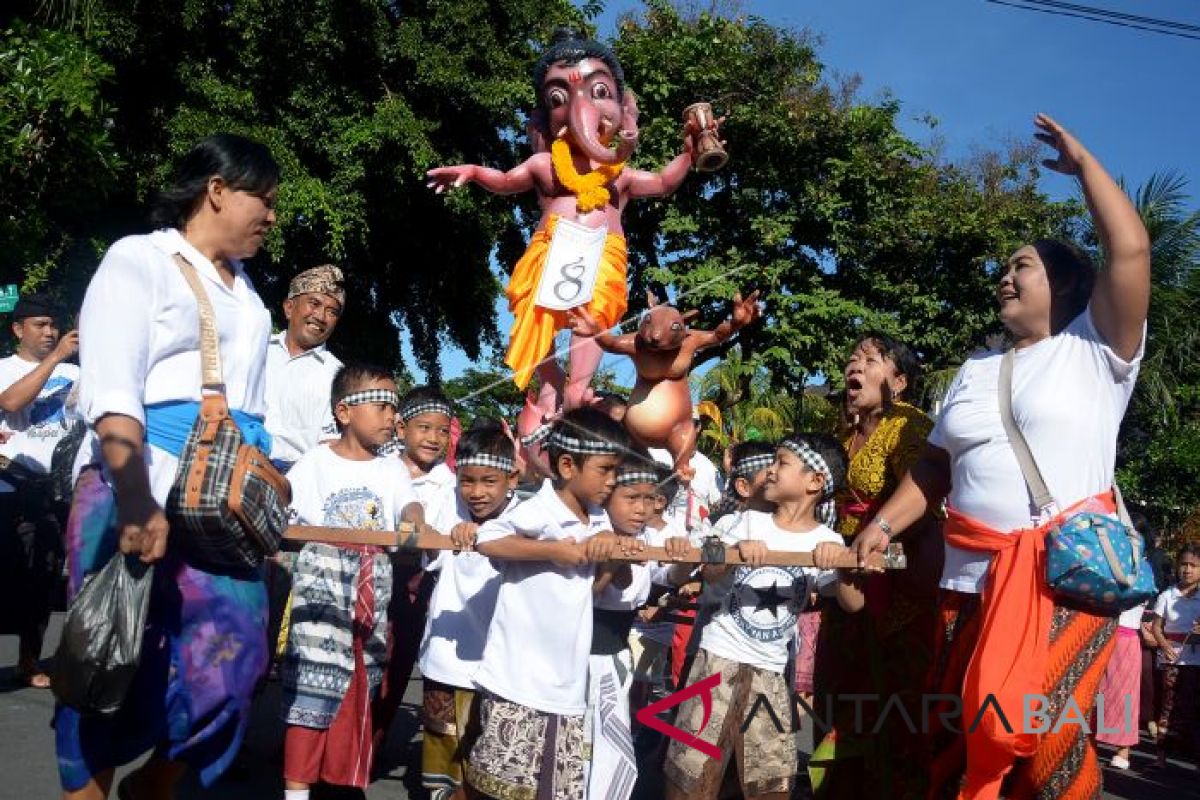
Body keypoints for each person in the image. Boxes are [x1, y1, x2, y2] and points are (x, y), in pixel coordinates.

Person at [850, 114, 1151, 800]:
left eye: (1023, 266)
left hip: (1065, 583)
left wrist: (1084, 168)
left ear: (1069, 288)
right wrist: (881, 525)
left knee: (1043, 739)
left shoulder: (1097, 349)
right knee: (960, 733)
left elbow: (1129, 251)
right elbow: (933, 469)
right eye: (1006, 267)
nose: (1005, 275)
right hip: (968, 584)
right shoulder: (974, 370)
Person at [54, 133, 282, 799]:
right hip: (140, 485)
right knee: (111, 660)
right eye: (261, 200)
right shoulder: (140, 259)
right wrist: (133, 498)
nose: (270, 216)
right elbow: (113, 387)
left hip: (224, 506)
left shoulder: (250, 296)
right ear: (217, 190)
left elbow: (255, 415)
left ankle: (151, 787)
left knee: (233, 670)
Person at [662, 433, 853, 800]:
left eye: (781, 463)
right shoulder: (743, 521)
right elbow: (708, 572)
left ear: (815, 482)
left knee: (769, 784)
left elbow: (850, 602)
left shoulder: (828, 539)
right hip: (716, 662)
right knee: (689, 776)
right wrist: (731, 553)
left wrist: (842, 567)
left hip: (770, 671)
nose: (770, 471)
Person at [465, 407, 630, 799]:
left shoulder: (599, 521)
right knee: (497, 787)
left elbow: (589, 593)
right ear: (569, 466)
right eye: (605, 470)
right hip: (517, 679)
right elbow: (488, 540)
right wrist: (552, 550)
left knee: (552, 789)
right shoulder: (539, 510)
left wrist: (613, 559)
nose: (613, 481)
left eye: (616, 471)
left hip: (567, 685)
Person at [281, 364, 425, 797]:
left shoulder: (392, 470)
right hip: (321, 593)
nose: (390, 418)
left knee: (358, 692)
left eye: (394, 408)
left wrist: (413, 523)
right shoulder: (315, 461)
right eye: (381, 406)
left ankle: (338, 783)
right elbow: (286, 513)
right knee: (312, 687)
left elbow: (409, 509)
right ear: (344, 411)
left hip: (369, 597)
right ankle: (296, 791)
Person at [809, 333, 938, 799]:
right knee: (839, 691)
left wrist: (882, 538)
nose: (853, 366)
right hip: (846, 572)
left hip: (899, 580)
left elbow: (922, 499)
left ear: (898, 381)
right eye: (851, 358)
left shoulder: (910, 426)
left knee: (892, 699)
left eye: (869, 359)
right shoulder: (842, 432)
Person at [418, 420, 520, 800]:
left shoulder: (525, 519)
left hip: (496, 668)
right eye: (467, 480)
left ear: (512, 479)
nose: (475, 492)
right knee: (441, 766)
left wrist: (486, 537)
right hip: (443, 661)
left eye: (488, 481)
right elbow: (426, 539)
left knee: (486, 764)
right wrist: (449, 533)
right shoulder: (448, 505)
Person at [0, 293, 79, 689]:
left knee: (43, 578)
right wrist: (55, 360)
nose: (49, 333)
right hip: (10, 490)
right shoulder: (4, 368)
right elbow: (12, 401)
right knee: (8, 571)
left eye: (53, 325)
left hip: (56, 491)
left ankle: (29, 660)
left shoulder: (76, 375)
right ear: (18, 329)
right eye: (40, 325)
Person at [374, 385, 457, 751]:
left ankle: (371, 746)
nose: (433, 438)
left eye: (442, 430)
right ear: (401, 427)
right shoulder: (378, 466)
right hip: (368, 570)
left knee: (395, 663)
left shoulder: (448, 484)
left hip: (413, 583)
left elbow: (440, 542)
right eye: (424, 428)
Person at [586, 455, 657, 799]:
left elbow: (665, 577)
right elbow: (584, 598)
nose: (641, 508)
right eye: (631, 498)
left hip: (616, 657)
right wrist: (614, 560)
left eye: (649, 498)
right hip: (580, 658)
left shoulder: (650, 538)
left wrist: (681, 560)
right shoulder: (589, 532)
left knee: (610, 748)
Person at [263, 264, 345, 471]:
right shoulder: (256, 349)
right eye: (314, 303)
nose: (320, 316)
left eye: (332, 311)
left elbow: (334, 444)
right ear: (289, 308)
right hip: (233, 466)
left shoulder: (338, 375)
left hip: (294, 484)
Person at [1150, 543, 1200, 768]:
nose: (1187, 570)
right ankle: (1161, 757)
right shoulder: (1167, 595)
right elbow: (1156, 626)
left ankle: (1190, 753)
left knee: (1192, 706)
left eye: (1193, 565)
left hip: (1196, 660)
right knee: (1168, 705)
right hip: (1171, 659)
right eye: (1184, 564)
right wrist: (1163, 645)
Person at [1097, 598, 1148, 770]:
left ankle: (1123, 749)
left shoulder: (1145, 575)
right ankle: (1088, 743)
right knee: (1093, 691)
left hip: (1127, 637)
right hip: (1099, 631)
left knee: (1126, 694)